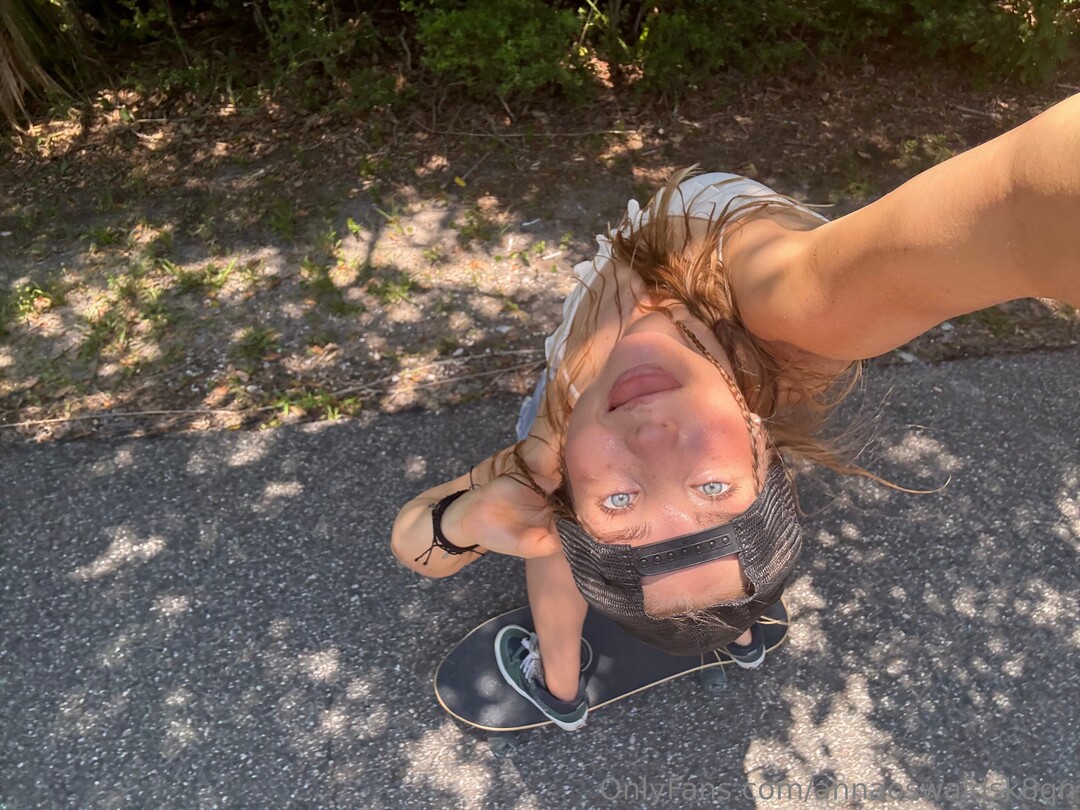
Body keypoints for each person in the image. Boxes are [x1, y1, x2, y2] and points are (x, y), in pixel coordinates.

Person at [391, 92, 1080, 731]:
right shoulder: (802, 311)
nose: (653, 442)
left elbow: (415, 544)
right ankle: (736, 632)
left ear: (567, 487)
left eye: (622, 503)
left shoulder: (553, 449)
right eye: (712, 487)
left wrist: (468, 519)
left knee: (577, 561)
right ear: (760, 443)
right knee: (723, 570)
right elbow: (1026, 207)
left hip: (604, 462)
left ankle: (562, 686)